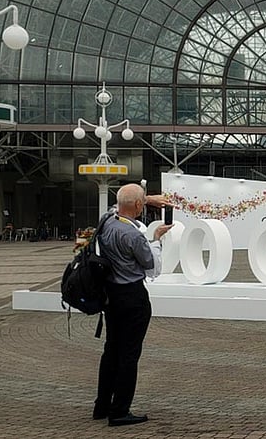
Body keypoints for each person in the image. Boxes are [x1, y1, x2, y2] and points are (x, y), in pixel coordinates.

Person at [93, 183, 173, 427]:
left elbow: (117, 204)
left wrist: (145, 198)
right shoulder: (133, 235)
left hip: (111, 296)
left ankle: (102, 405)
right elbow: (152, 266)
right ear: (138, 206)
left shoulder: (106, 222)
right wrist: (157, 238)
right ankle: (120, 411)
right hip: (132, 296)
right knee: (129, 354)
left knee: (112, 351)